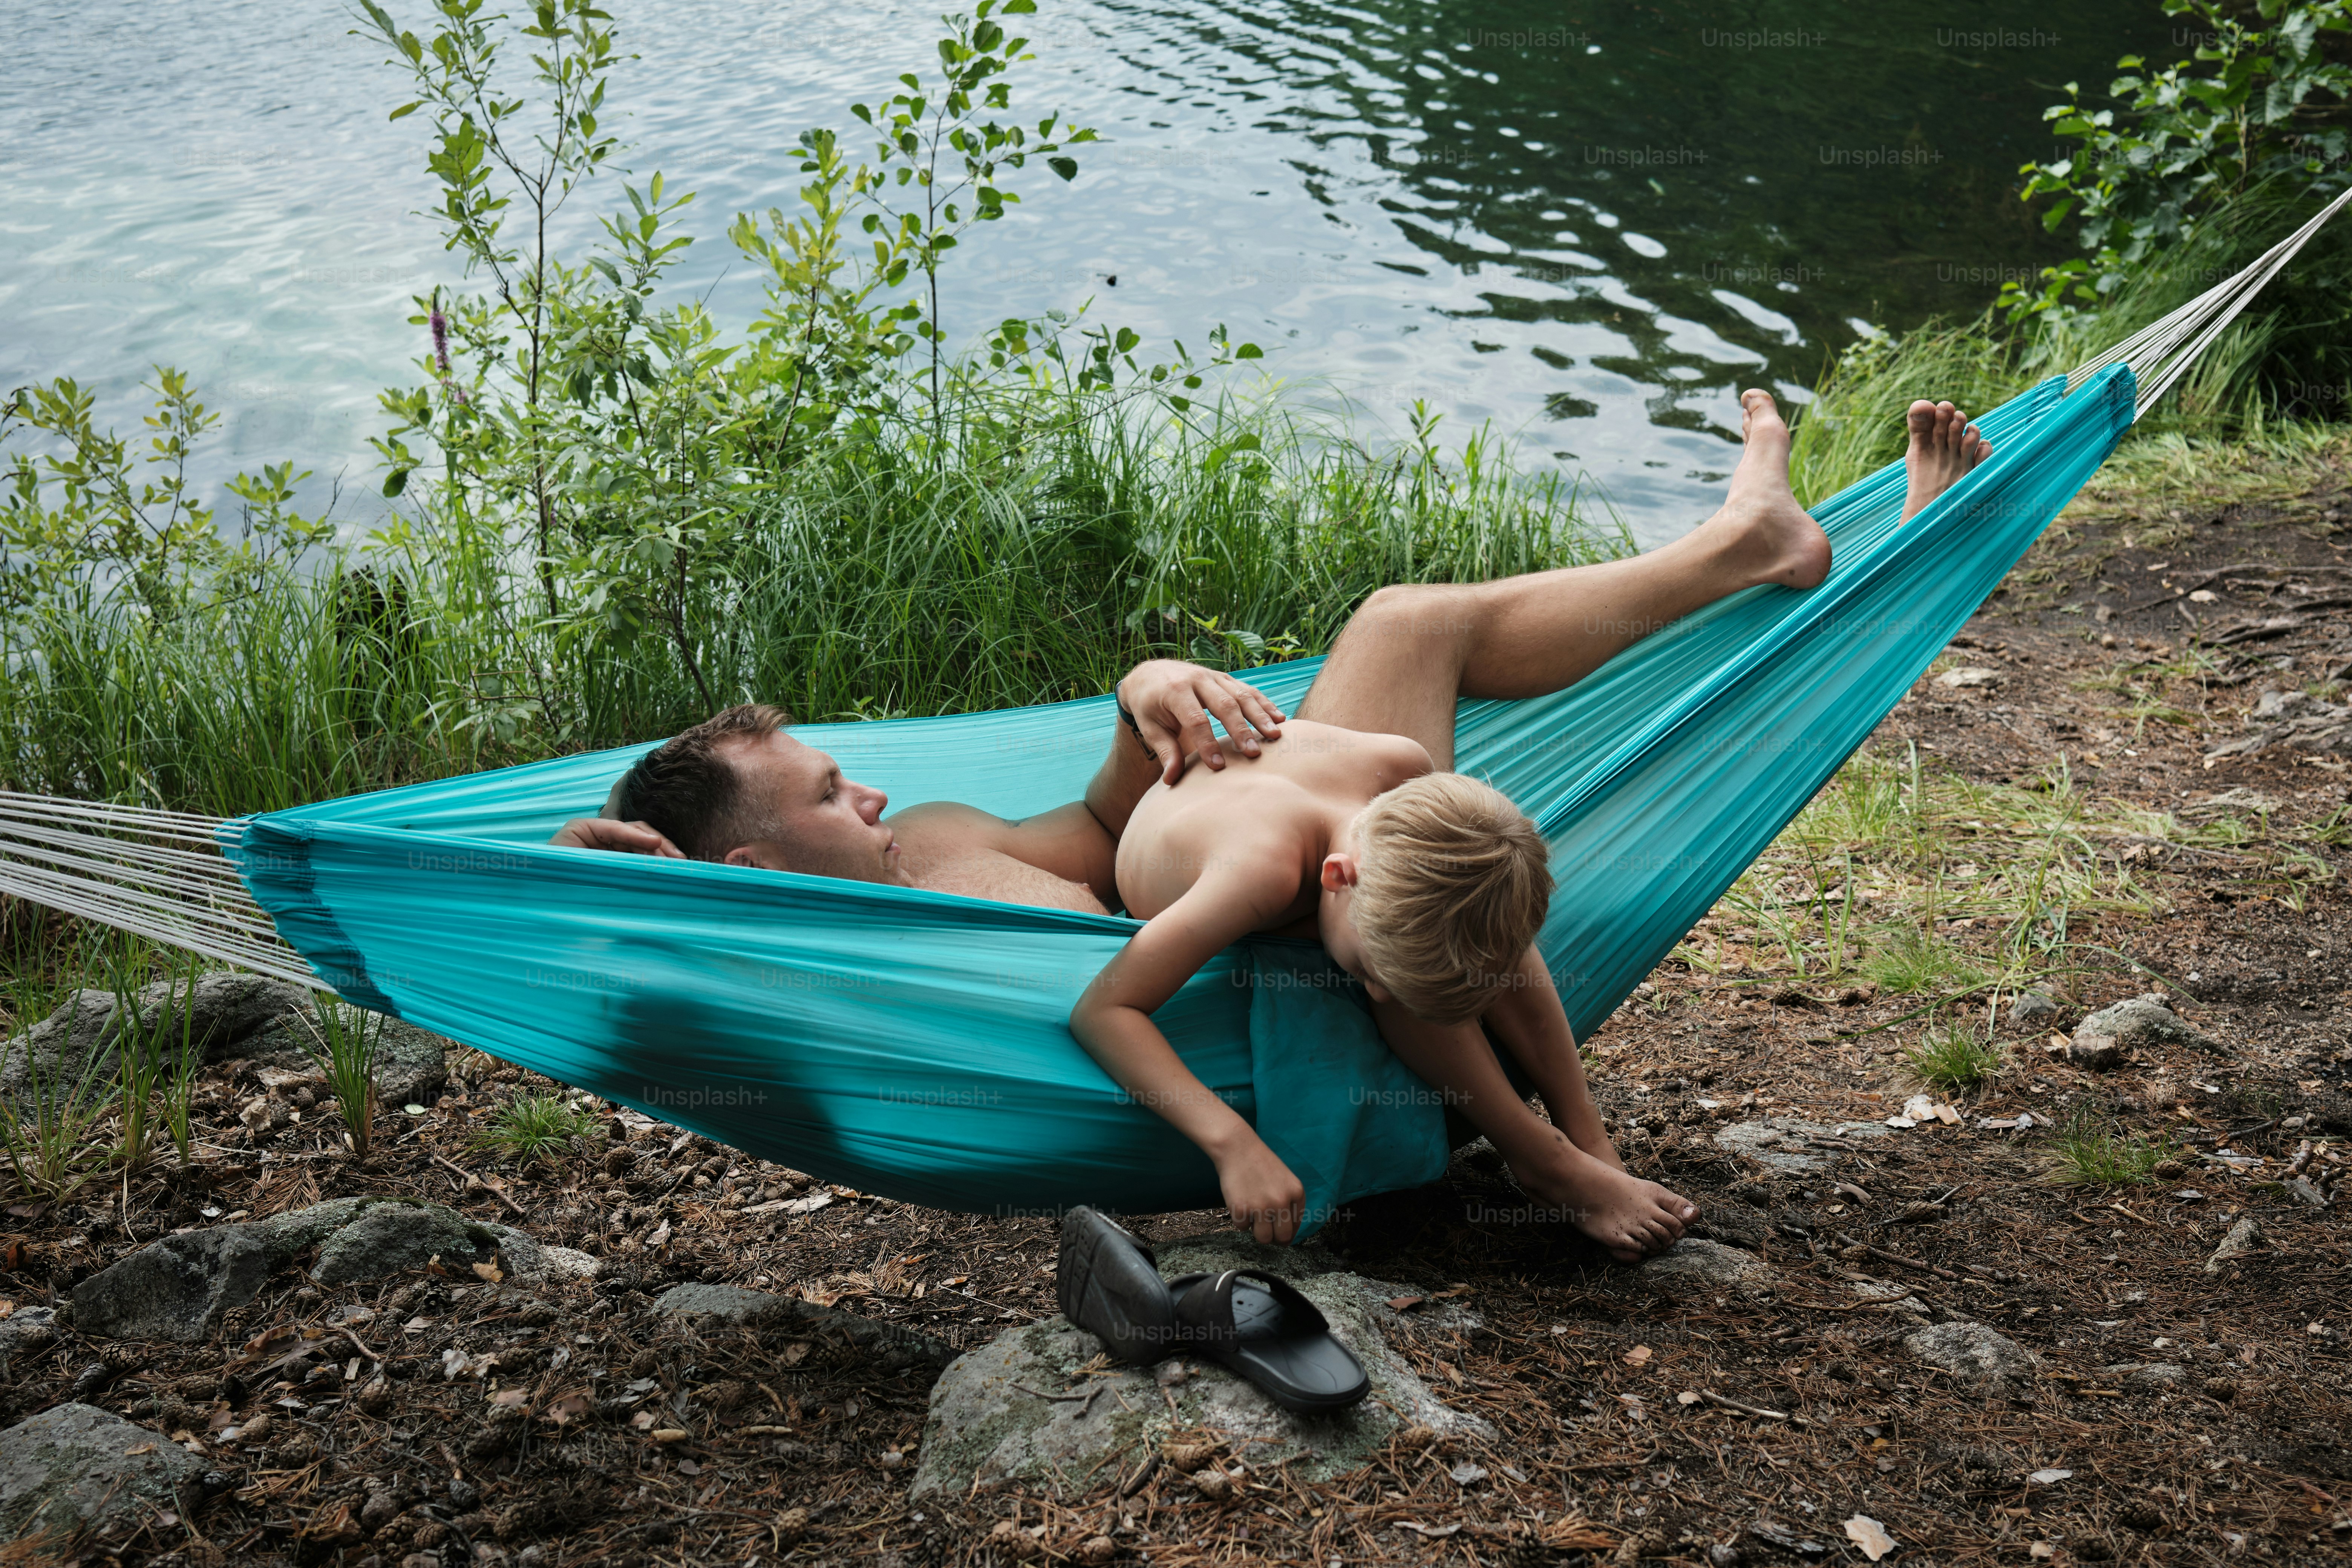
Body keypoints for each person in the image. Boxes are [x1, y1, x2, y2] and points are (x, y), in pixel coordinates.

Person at [556, 394, 1993, 1260]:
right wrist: (616, 886)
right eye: (826, 793)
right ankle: (1840, 562)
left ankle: (1781, 557)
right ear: (745, 874)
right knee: (1378, 760)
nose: (861, 787)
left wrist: (1147, 693)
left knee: (1403, 617)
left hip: (1294, 856)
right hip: (1292, 943)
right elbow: (656, 1012)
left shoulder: (935, 830)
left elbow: (1119, 822)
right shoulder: (816, 945)